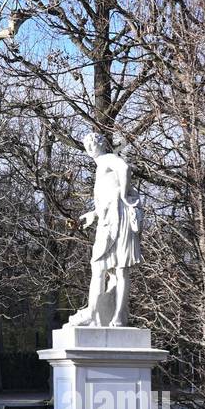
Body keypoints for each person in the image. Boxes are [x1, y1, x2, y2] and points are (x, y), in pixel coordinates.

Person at [67, 132, 143, 328]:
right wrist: (94, 214)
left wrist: (125, 195)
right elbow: (105, 199)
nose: (90, 148)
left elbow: (125, 167)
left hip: (119, 217)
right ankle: (95, 313)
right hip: (108, 218)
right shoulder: (101, 165)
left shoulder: (108, 159)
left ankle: (116, 316)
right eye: (87, 144)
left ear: (101, 144)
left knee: (119, 268)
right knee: (101, 267)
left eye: (93, 143)